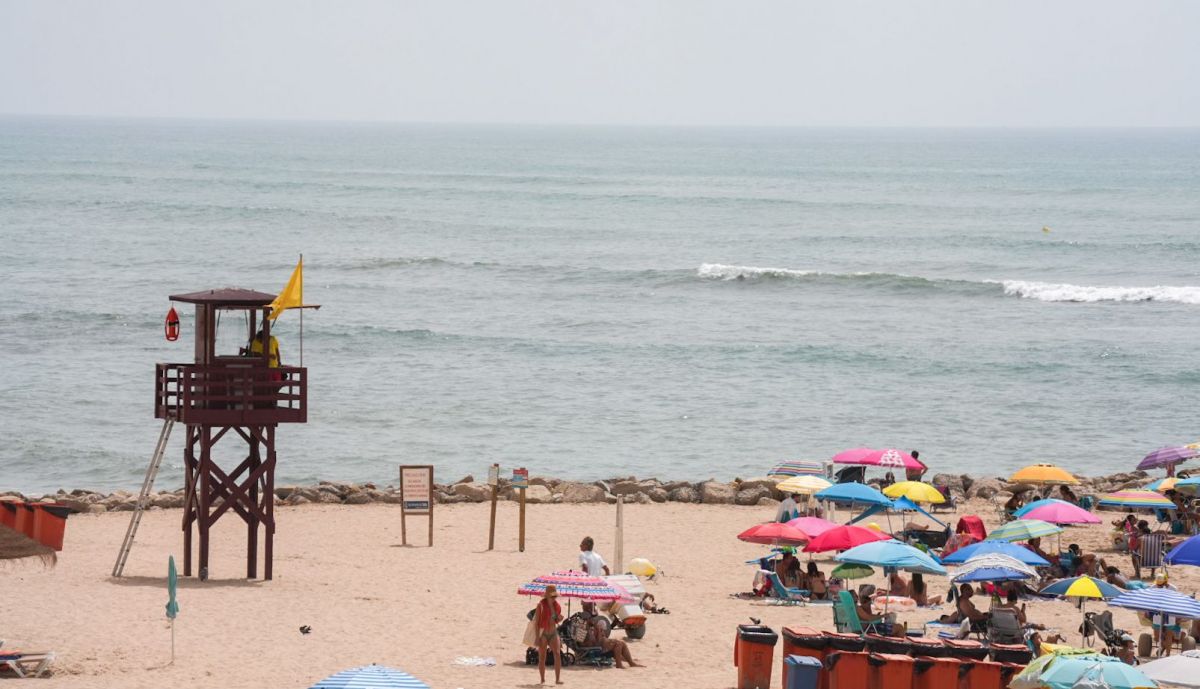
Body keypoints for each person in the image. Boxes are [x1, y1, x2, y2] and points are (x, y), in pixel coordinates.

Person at [581, 602, 644, 669]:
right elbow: (596, 639)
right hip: (595, 646)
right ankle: (619, 664)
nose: (594, 607)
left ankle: (631, 662)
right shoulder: (588, 623)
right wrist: (599, 631)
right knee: (618, 644)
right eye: (592, 606)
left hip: (595, 644)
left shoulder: (585, 620)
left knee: (622, 643)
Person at [534, 586, 564, 685]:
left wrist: (559, 619)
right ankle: (542, 679)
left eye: (555, 596)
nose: (554, 598)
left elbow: (556, 620)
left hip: (553, 632)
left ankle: (558, 679)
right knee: (542, 658)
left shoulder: (557, 606)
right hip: (543, 633)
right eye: (552, 596)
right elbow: (536, 623)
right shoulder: (540, 605)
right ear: (547, 596)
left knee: (557, 654)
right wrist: (537, 637)